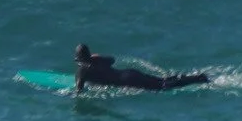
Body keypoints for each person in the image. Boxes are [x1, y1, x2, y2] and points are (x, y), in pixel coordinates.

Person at [74, 43, 211, 92]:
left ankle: (197, 79)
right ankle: (195, 77)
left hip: (128, 82)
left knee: (163, 87)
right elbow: (112, 60)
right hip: (130, 74)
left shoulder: (82, 71)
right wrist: (96, 57)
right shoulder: (98, 61)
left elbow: (79, 91)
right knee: (162, 81)